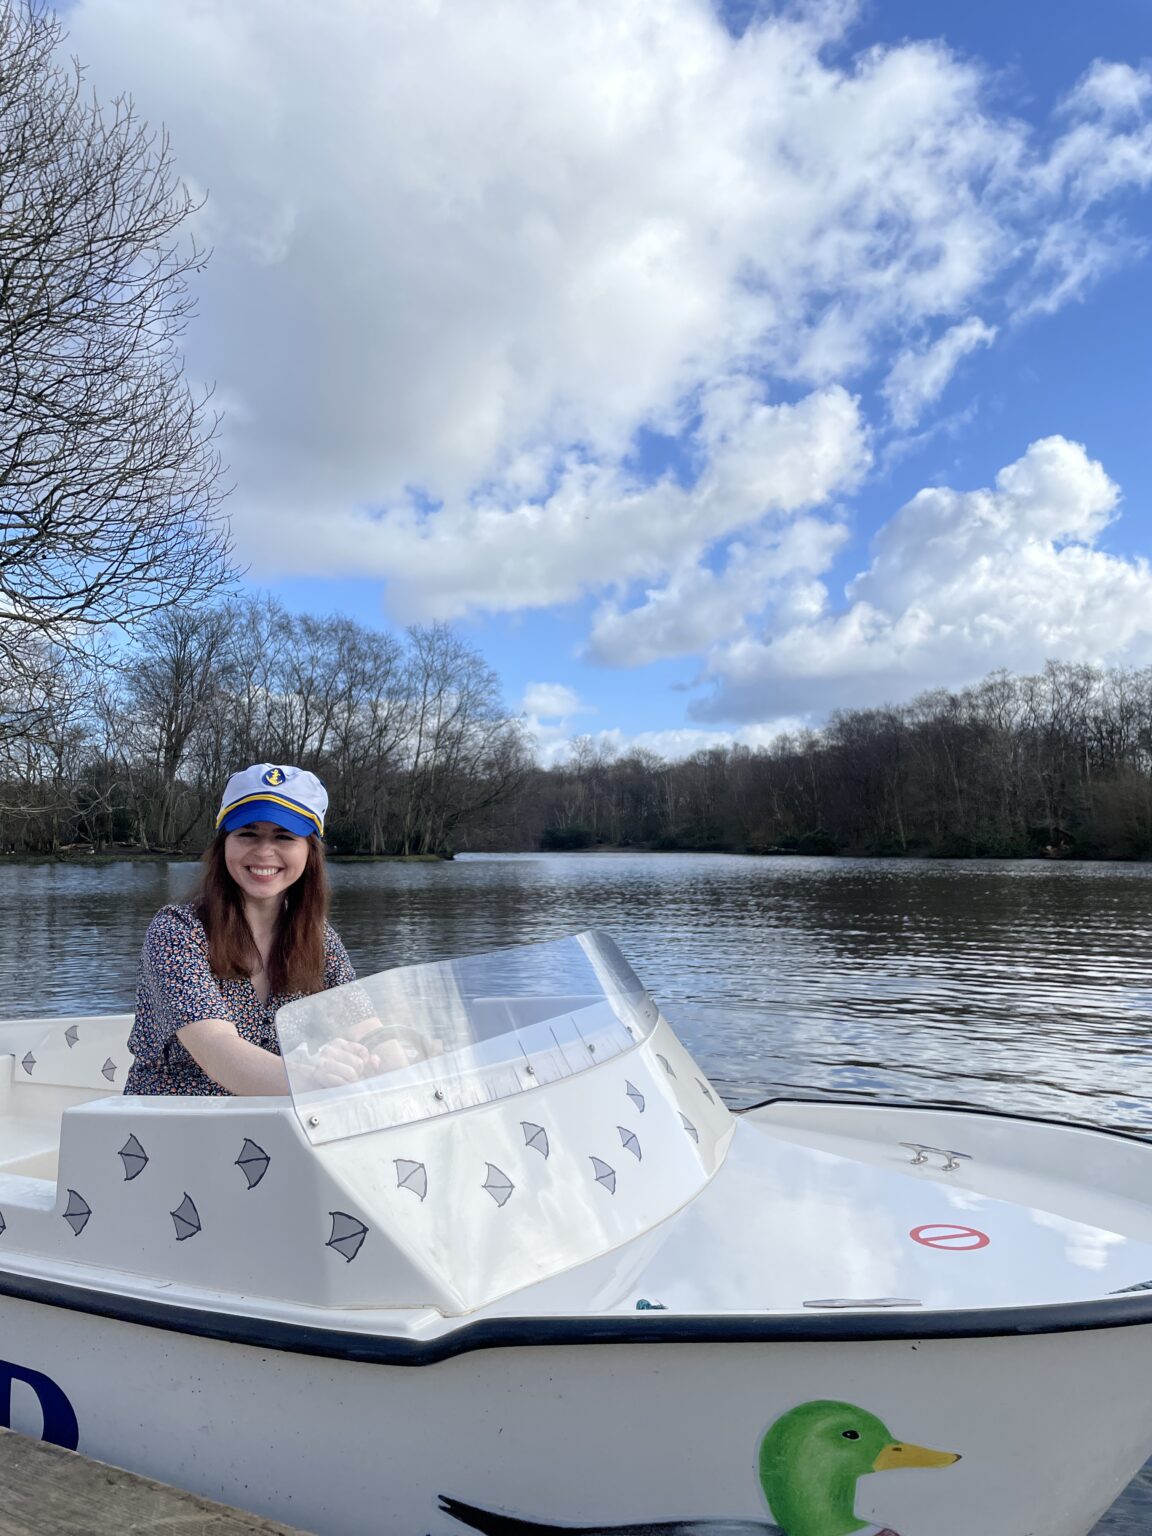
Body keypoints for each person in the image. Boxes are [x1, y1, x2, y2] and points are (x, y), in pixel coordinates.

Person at [125, 763, 381, 1096]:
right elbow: (218, 1050)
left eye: (284, 836)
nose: (263, 851)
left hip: (277, 1127)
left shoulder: (318, 939)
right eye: (248, 833)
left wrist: (404, 1060)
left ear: (309, 852)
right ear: (224, 844)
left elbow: (364, 1027)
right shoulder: (177, 932)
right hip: (169, 1132)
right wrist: (314, 1082)